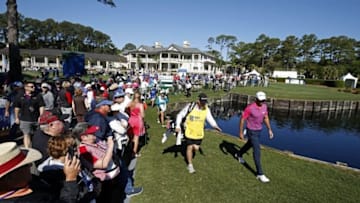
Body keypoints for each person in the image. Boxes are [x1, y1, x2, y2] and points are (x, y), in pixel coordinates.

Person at [0, 142, 80, 202]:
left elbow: (43, 181)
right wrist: (70, 179)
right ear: (10, 177)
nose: (30, 166)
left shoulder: (24, 182)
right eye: (26, 165)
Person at [175, 93, 222, 173]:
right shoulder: (191, 107)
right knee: (189, 147)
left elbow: (209, 118)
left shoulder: (206, 109)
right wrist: (177, 126)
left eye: (205, 102)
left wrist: (215, 126)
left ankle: (191, 151)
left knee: (196, 148)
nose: (203, 103)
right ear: (198, 101)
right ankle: (190, 165)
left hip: (199, 133)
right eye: (202, 102)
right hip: (189, 131)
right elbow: (180, 115)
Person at [235, 91, 274, 183]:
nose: (262, 102)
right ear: (256, 99)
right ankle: (260, 174)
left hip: (259, 131)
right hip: (251, 131)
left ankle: (239, 154)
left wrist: (269, 129)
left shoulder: (264, 106)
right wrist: (240, 132)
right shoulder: (250, 108)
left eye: (263, 100)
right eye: (260, 100)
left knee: (249, 144)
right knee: (257, 150)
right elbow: (242, 119)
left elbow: (266, 118)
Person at [14, 81, 45, 148]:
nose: (33, 88)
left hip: (36, 119)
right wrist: (16, 117)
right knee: (26, 134)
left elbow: (41, 106)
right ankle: (28, 149)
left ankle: (37, 148)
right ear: (26, 88)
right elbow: (17, 107)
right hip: (24, 119)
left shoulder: (38, 95)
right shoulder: (20, 96)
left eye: (34, 86)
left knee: (37, 135)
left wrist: (41, 116)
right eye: (31, 86)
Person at [127, 91, 145, 157]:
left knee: (131, 135)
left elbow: (126, 109)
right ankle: (134, 152)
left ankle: (129, 149)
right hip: (138, 120)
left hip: (131, 119)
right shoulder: (140, 105)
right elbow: (143, 115)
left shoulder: (130, 103)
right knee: (136, 137)